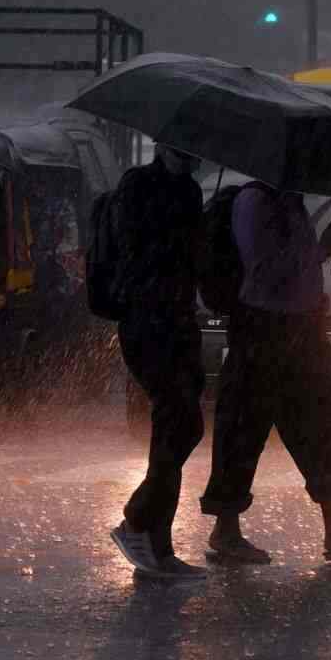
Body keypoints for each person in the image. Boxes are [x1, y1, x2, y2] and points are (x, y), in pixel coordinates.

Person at [201, 183, 331, 565]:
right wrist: (319, 250)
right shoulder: (255, 203)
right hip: (265, 330)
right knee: (244, 428)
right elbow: (266, 269)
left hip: (302, 329)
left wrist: (322, 251)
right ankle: (225, 530)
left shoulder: (291, 203)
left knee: (320, 426)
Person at [106, 145, 209, 579]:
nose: (191, 157)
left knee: (177, 426)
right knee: (181, 420)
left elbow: (192, 261)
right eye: (183, 150)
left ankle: (158, 546)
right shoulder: (137, 185)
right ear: (164, 146)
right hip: (146, 321)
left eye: (194, 152)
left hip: (181, 319)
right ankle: (136, 519)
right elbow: (137, 249)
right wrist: (181, 237)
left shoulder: (190, 190)